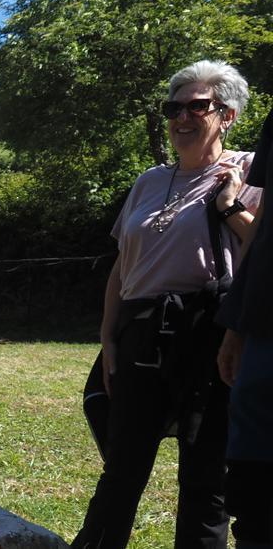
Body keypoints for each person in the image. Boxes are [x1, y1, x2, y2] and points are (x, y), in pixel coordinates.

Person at [72, 60, 260, 549]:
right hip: (141, 329)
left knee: (205, 474)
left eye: (196, 106)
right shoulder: (150, 181)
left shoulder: (251, 170)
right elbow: (122, 267)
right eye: (173, 107)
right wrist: (109, 338)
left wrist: (231, 207)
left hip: (211, 331)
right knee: (122, 468)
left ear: (228, 114)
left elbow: (267, 252)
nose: (181, 117)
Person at [215, 91, 273, 548]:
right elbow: (267, 228)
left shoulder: (244, 161)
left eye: (198, 106)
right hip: (263, 329)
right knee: (253, 494)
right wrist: (236, 324)